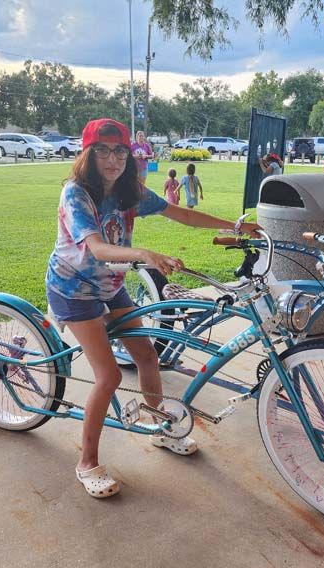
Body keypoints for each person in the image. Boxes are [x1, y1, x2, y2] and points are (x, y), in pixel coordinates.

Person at [45, 118, 260, 499]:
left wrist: (237, 227)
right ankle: (87, 463)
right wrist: (143, 254)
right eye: (102, 151)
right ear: (87, 154)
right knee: (108, 376)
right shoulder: (76, 194)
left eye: (120, 151)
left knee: (147, 356)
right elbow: (97, 248)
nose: (113, 159)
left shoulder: (128, 191)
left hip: (111, 285)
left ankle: (160, 427)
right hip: (74, 289)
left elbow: (183, 214)